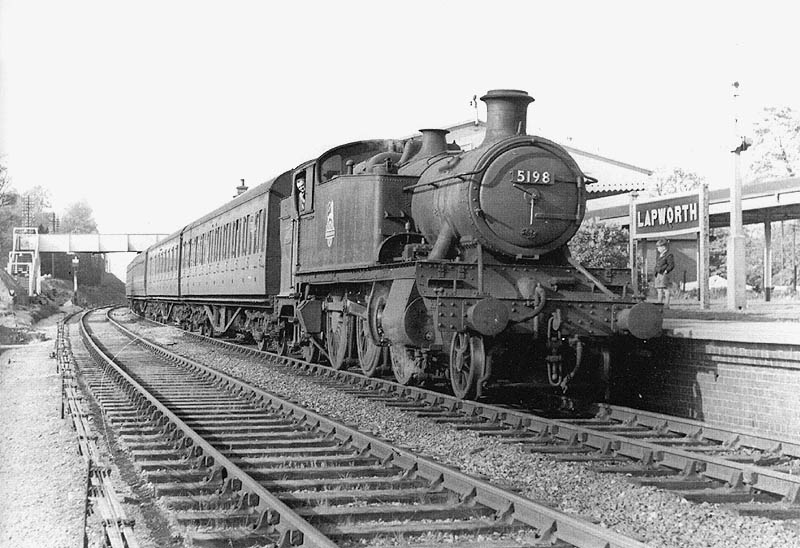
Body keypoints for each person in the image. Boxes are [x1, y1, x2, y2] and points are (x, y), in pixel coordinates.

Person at [653, 239, 674, 308]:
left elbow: (671, 265)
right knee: (659, 289)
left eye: (659, 247)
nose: (658, 248)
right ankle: (659, 304)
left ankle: (666, 305)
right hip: (658, 274)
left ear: (664, 247)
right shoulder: (659, 255)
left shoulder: (669, 255)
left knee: (665, 289)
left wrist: (666, 271)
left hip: (664, 274)